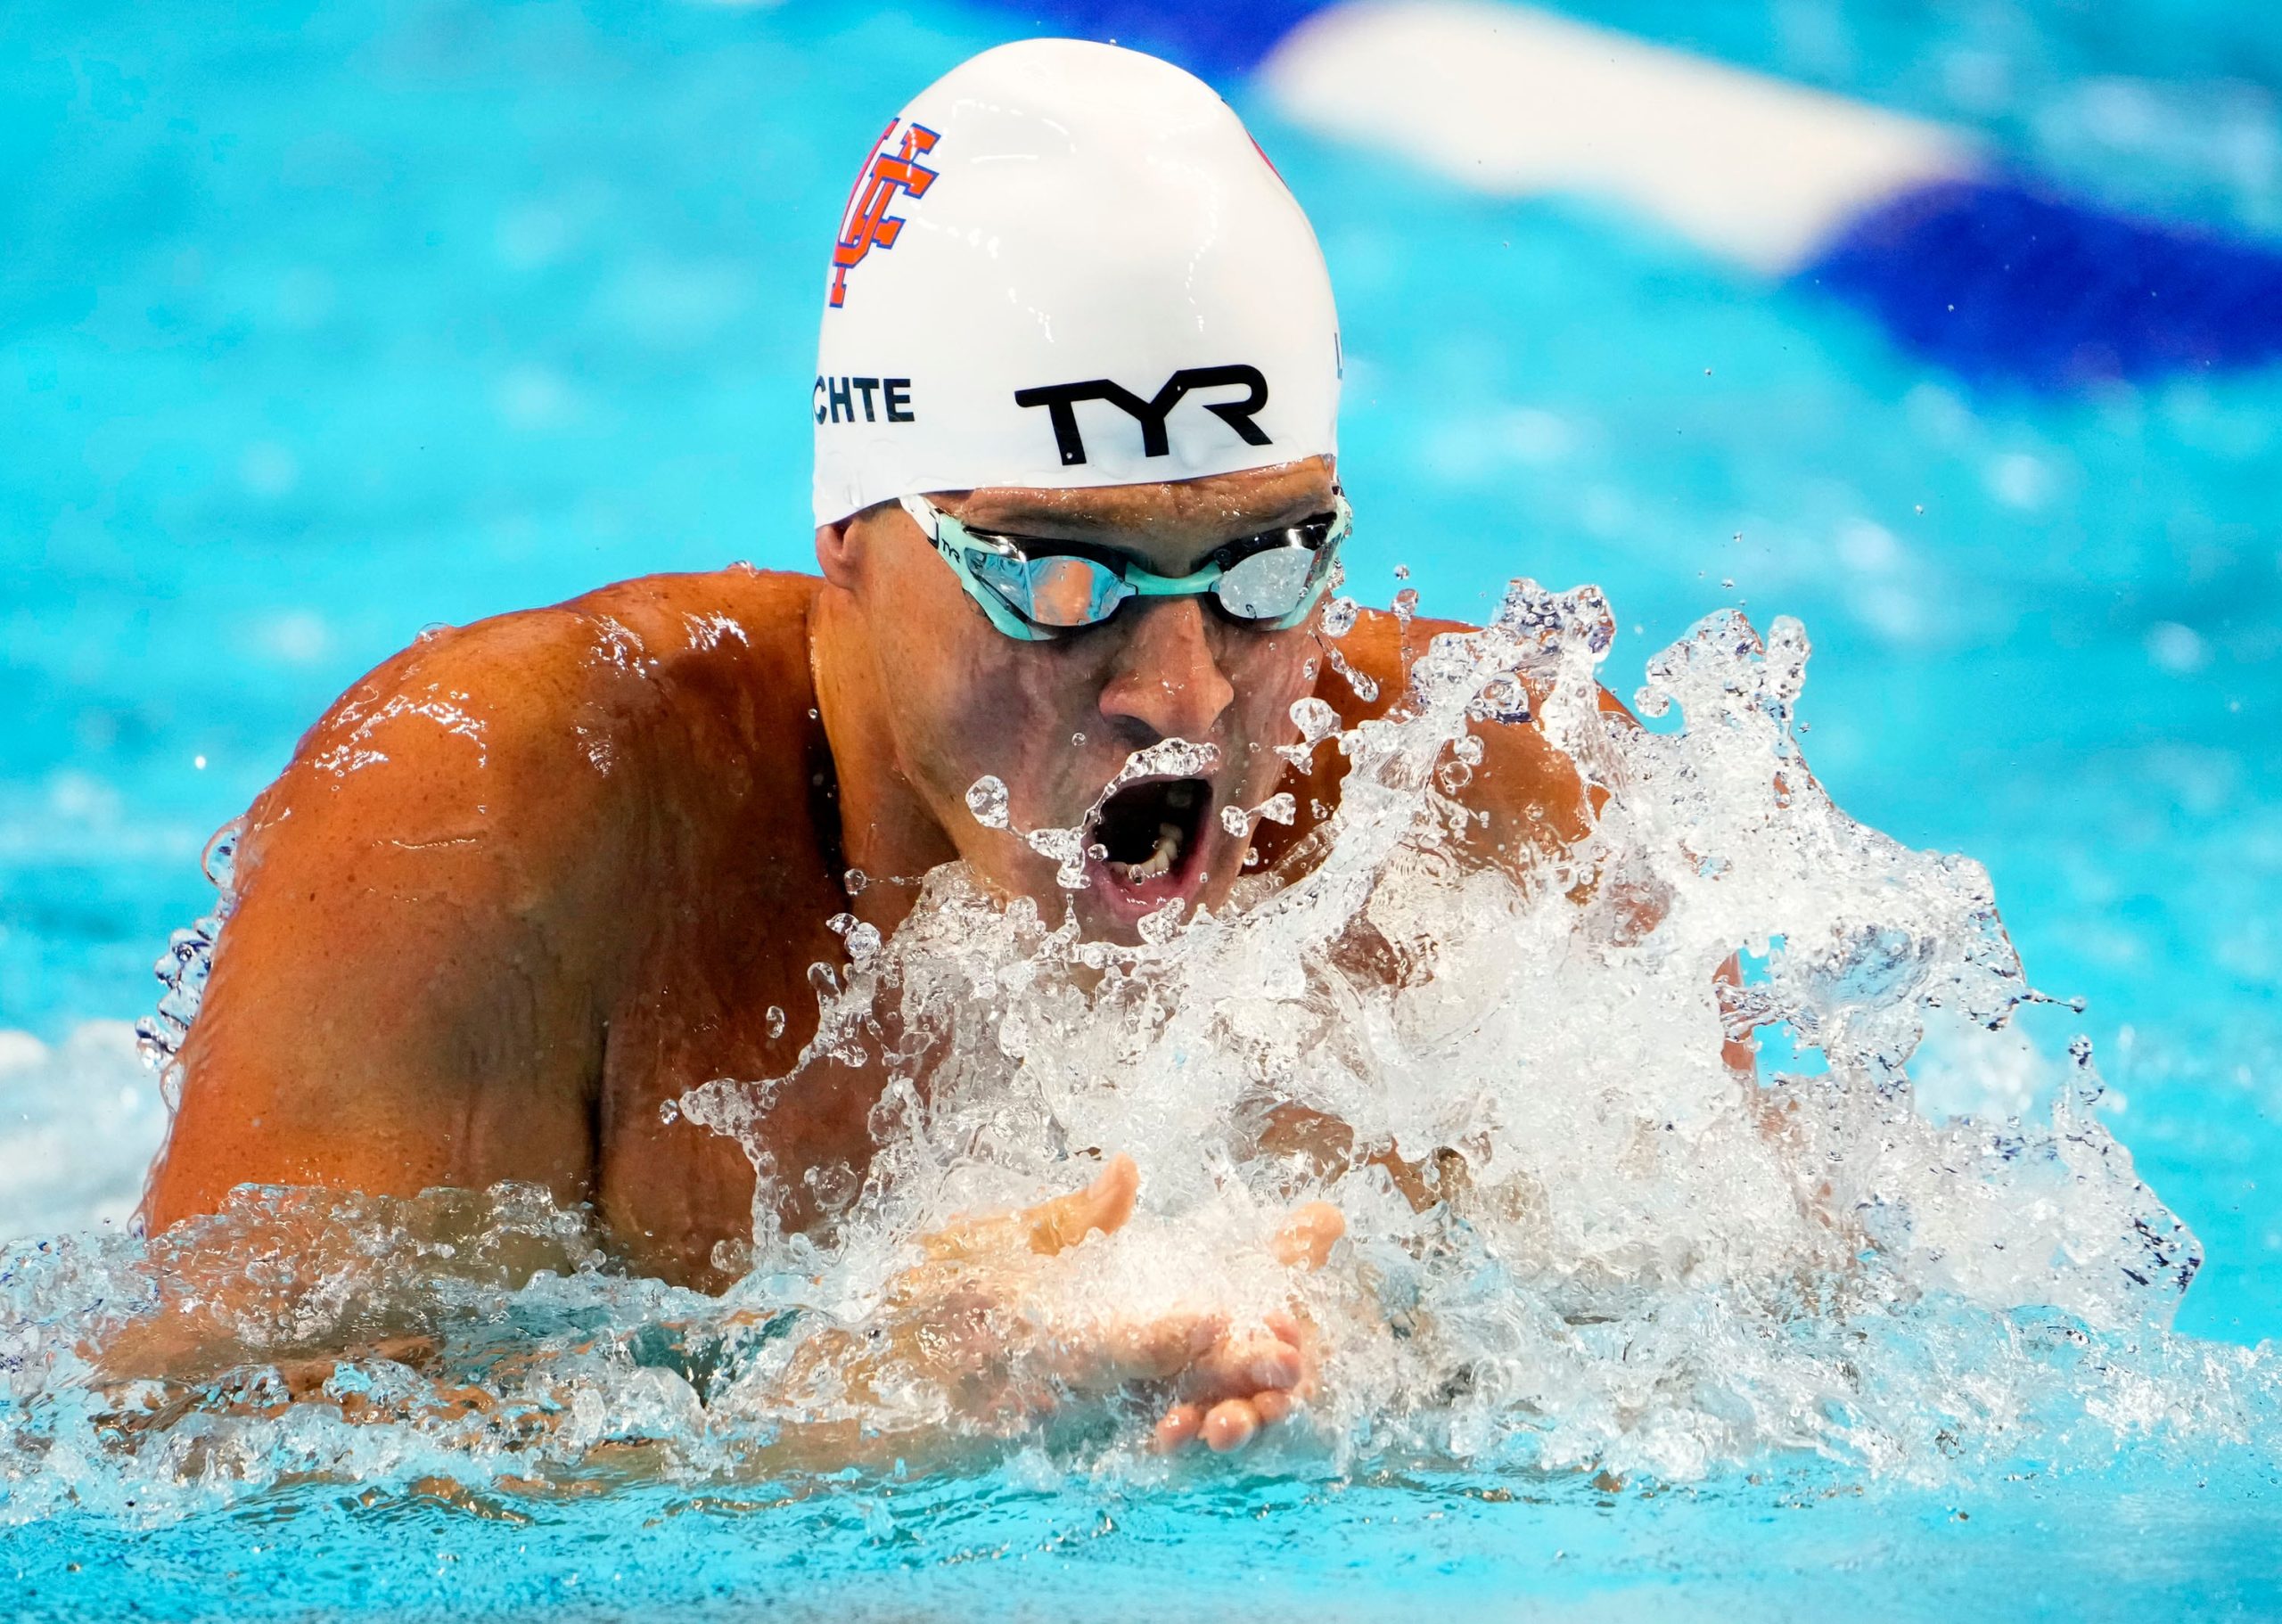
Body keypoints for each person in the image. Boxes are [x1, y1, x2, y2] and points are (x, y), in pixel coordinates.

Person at [135, 40, 1602, 1455]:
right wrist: (865, 1406)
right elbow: (188, 1454)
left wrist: (1415, 1358)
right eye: (1060, 578)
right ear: (848, 524)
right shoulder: (488, 823)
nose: (1182, 693)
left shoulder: (1478, 808)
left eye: (1264, 566)